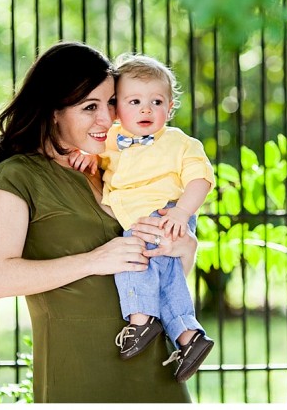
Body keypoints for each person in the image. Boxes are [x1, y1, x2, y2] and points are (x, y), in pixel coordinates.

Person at [0, 41, 197, 403]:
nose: (107, 118)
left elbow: (166, 275)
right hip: (81, 376)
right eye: (90, 107)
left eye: (111, 102)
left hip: (158, 373)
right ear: (54, 111)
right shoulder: (17, 176)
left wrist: (184, 247)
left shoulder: (113, 170)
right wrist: (95, 260)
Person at [67, 53, 215, 382]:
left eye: (156, 101)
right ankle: (189, 336)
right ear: (117, 107)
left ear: (170, 106)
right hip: (144, 220)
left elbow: (200, 179)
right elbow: (93, 157)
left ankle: (141, 320)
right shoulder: (111, 141)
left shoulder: (180, 143)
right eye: (135, 101)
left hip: (165, 214)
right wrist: (86, 158)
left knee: (131, 258)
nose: (146, 109)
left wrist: (181, 212)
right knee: (167, 277)